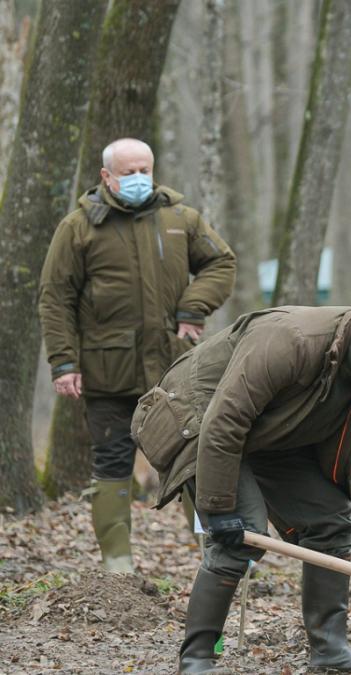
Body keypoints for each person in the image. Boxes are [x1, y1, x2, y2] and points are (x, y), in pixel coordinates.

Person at [137, 304, 351, 673]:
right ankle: (197, 657)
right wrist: (220, 508)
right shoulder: (291, 340)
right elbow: (225, 420)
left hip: (274, 436)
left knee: (330, 522)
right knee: (243, 535)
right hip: (202, 422)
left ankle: (329, 649)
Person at [37, 138, 236, 573]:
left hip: (173, 369)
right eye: (129, 172)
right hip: (107, 370)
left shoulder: (180, 218)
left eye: (145, 169)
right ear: (107, 176)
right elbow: (55, 298)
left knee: (191, 459)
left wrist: (192, 307)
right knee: (112, 462)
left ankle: (217, 556)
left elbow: (221, 263)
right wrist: (64, 362)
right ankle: (118, 564)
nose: (139, 178)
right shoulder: (79, 227)